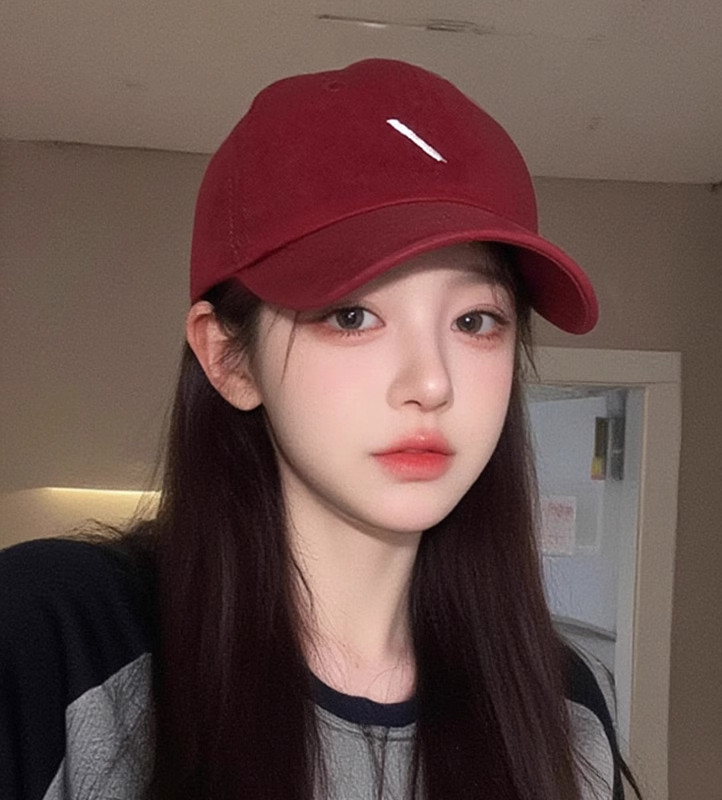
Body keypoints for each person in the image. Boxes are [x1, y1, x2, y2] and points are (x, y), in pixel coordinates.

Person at [0, 58, 637, 800]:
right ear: (229, 357)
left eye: (475, 321)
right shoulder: (54, 639)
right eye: (352, 315)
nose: (432, 382)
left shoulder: (562, 704)